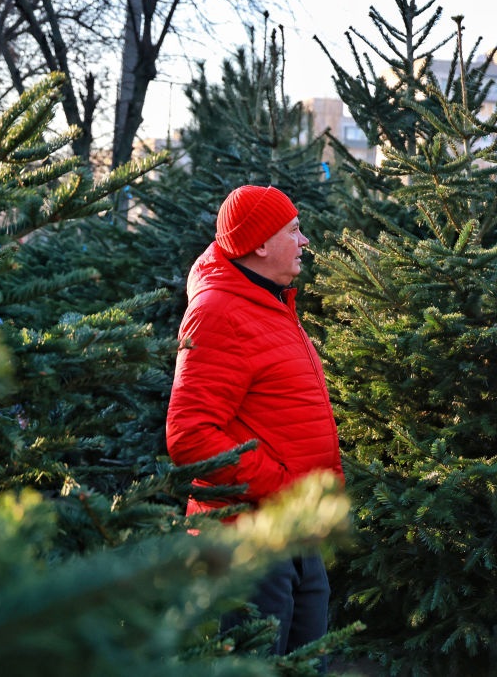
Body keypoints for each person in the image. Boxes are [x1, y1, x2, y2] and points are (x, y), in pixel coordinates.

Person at [165, 184, 344, 657]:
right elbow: (190, 438)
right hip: (251, 541)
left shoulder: (272, 302)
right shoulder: (218, 312)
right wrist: (284, 487)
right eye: (294, 230)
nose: (305, 241)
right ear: (260, 244)